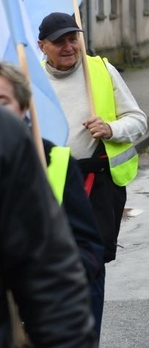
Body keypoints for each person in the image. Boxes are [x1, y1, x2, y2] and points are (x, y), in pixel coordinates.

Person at [37, 12, 147, 332]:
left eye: (74, 38)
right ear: (42, 46)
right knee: (50, 266)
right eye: (60, 41)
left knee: (91, 266)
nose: (70, 46)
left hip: (95, 184)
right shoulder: (31, 81)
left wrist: (111, 128)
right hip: (48, 183)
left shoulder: (100, 70)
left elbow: (138, 120)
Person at [0, 61, 105, 338]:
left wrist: (46, 275)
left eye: (2, 101)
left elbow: (88, 248)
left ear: (24, 109)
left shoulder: (53, 160)